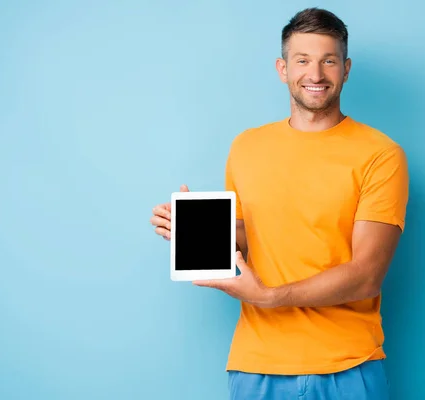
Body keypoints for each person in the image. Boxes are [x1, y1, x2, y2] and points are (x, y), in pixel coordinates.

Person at [151, 7, 408, 400]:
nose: (316, 74)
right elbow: (251, 237)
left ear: (346, 68)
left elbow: (366, 274)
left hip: (348, 366)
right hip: (257, 365)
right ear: (282, 68)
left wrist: (269, 297)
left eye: (329, 61)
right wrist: (192, 233)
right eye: (302, 60)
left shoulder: (380, 154)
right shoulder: (247, 147)